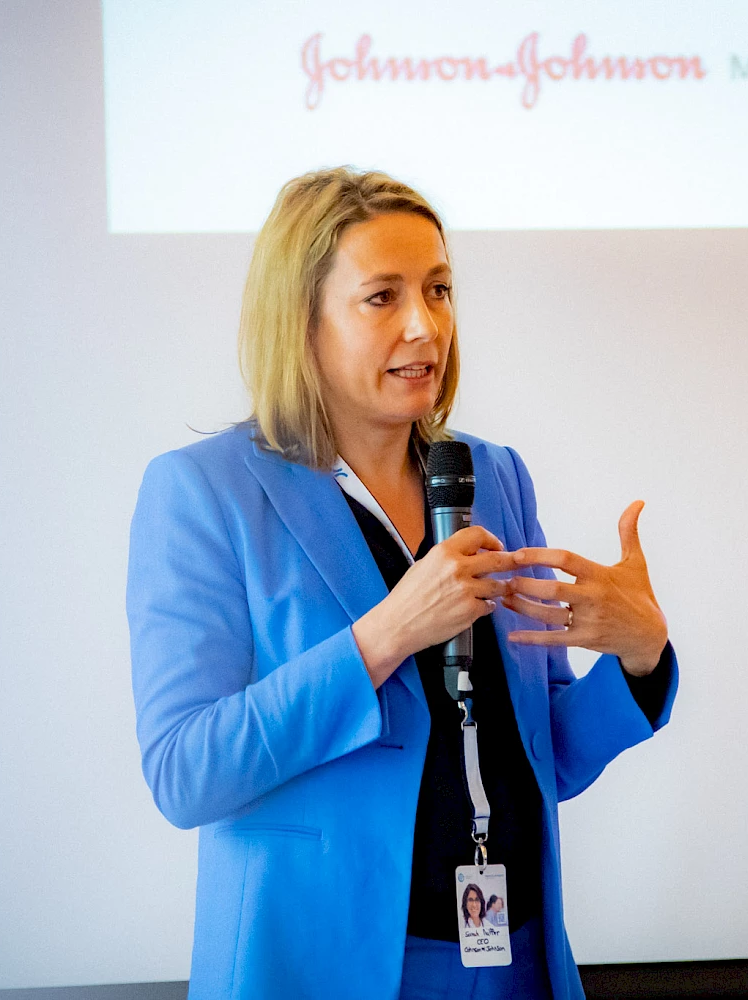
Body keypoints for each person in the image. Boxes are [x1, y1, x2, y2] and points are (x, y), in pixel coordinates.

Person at [127, 167, 676, 1000]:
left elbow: (546, 757)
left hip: (513, 957)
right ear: (301, 320)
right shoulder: (206, 493)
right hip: (325, 967)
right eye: (382, 297)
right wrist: (385, 635)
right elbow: (185, 771)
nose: (425, 325)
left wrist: (640, 656)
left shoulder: (493, 475)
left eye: (439, 289)